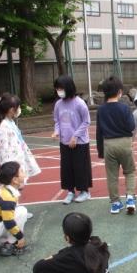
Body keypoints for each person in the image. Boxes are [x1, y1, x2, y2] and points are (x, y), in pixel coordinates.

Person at [16, 212, 116, 273]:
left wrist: (51, 259)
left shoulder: (66, 257)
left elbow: (38, 268)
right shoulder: (99, 244)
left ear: (67, 237)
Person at [96, 76, 137, 214]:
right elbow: (131, 126)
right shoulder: (125, 108)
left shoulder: (101, 110)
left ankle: (115, 203)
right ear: (120, 92)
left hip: (108, 144)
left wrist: (101, 151)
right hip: (125, 143)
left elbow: (99, 132)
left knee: (112, 176)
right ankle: (130, 198)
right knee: (130, 171)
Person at [52, 75, 92, 204]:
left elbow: (86, 121)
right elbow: (57, 120)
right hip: (64, 142)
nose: (59, 91)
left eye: (61, 88)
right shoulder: (58, 104)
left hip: (79, 142)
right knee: (67, 168)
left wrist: (75, 136)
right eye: (57, 89)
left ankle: (84, 191)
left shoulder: (80, 103)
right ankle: (70, 191)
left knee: (80, 167)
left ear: (68, 87)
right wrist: (56, 132)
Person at [0, 93, 41, 182]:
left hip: (18, 158)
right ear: (11, 110)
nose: (19, 109)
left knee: (19, 184)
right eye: (18, 107)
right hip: (12, 164)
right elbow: (4, 149)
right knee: (15, 185)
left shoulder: (11, 122)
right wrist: (6, 168)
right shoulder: (4, 125)